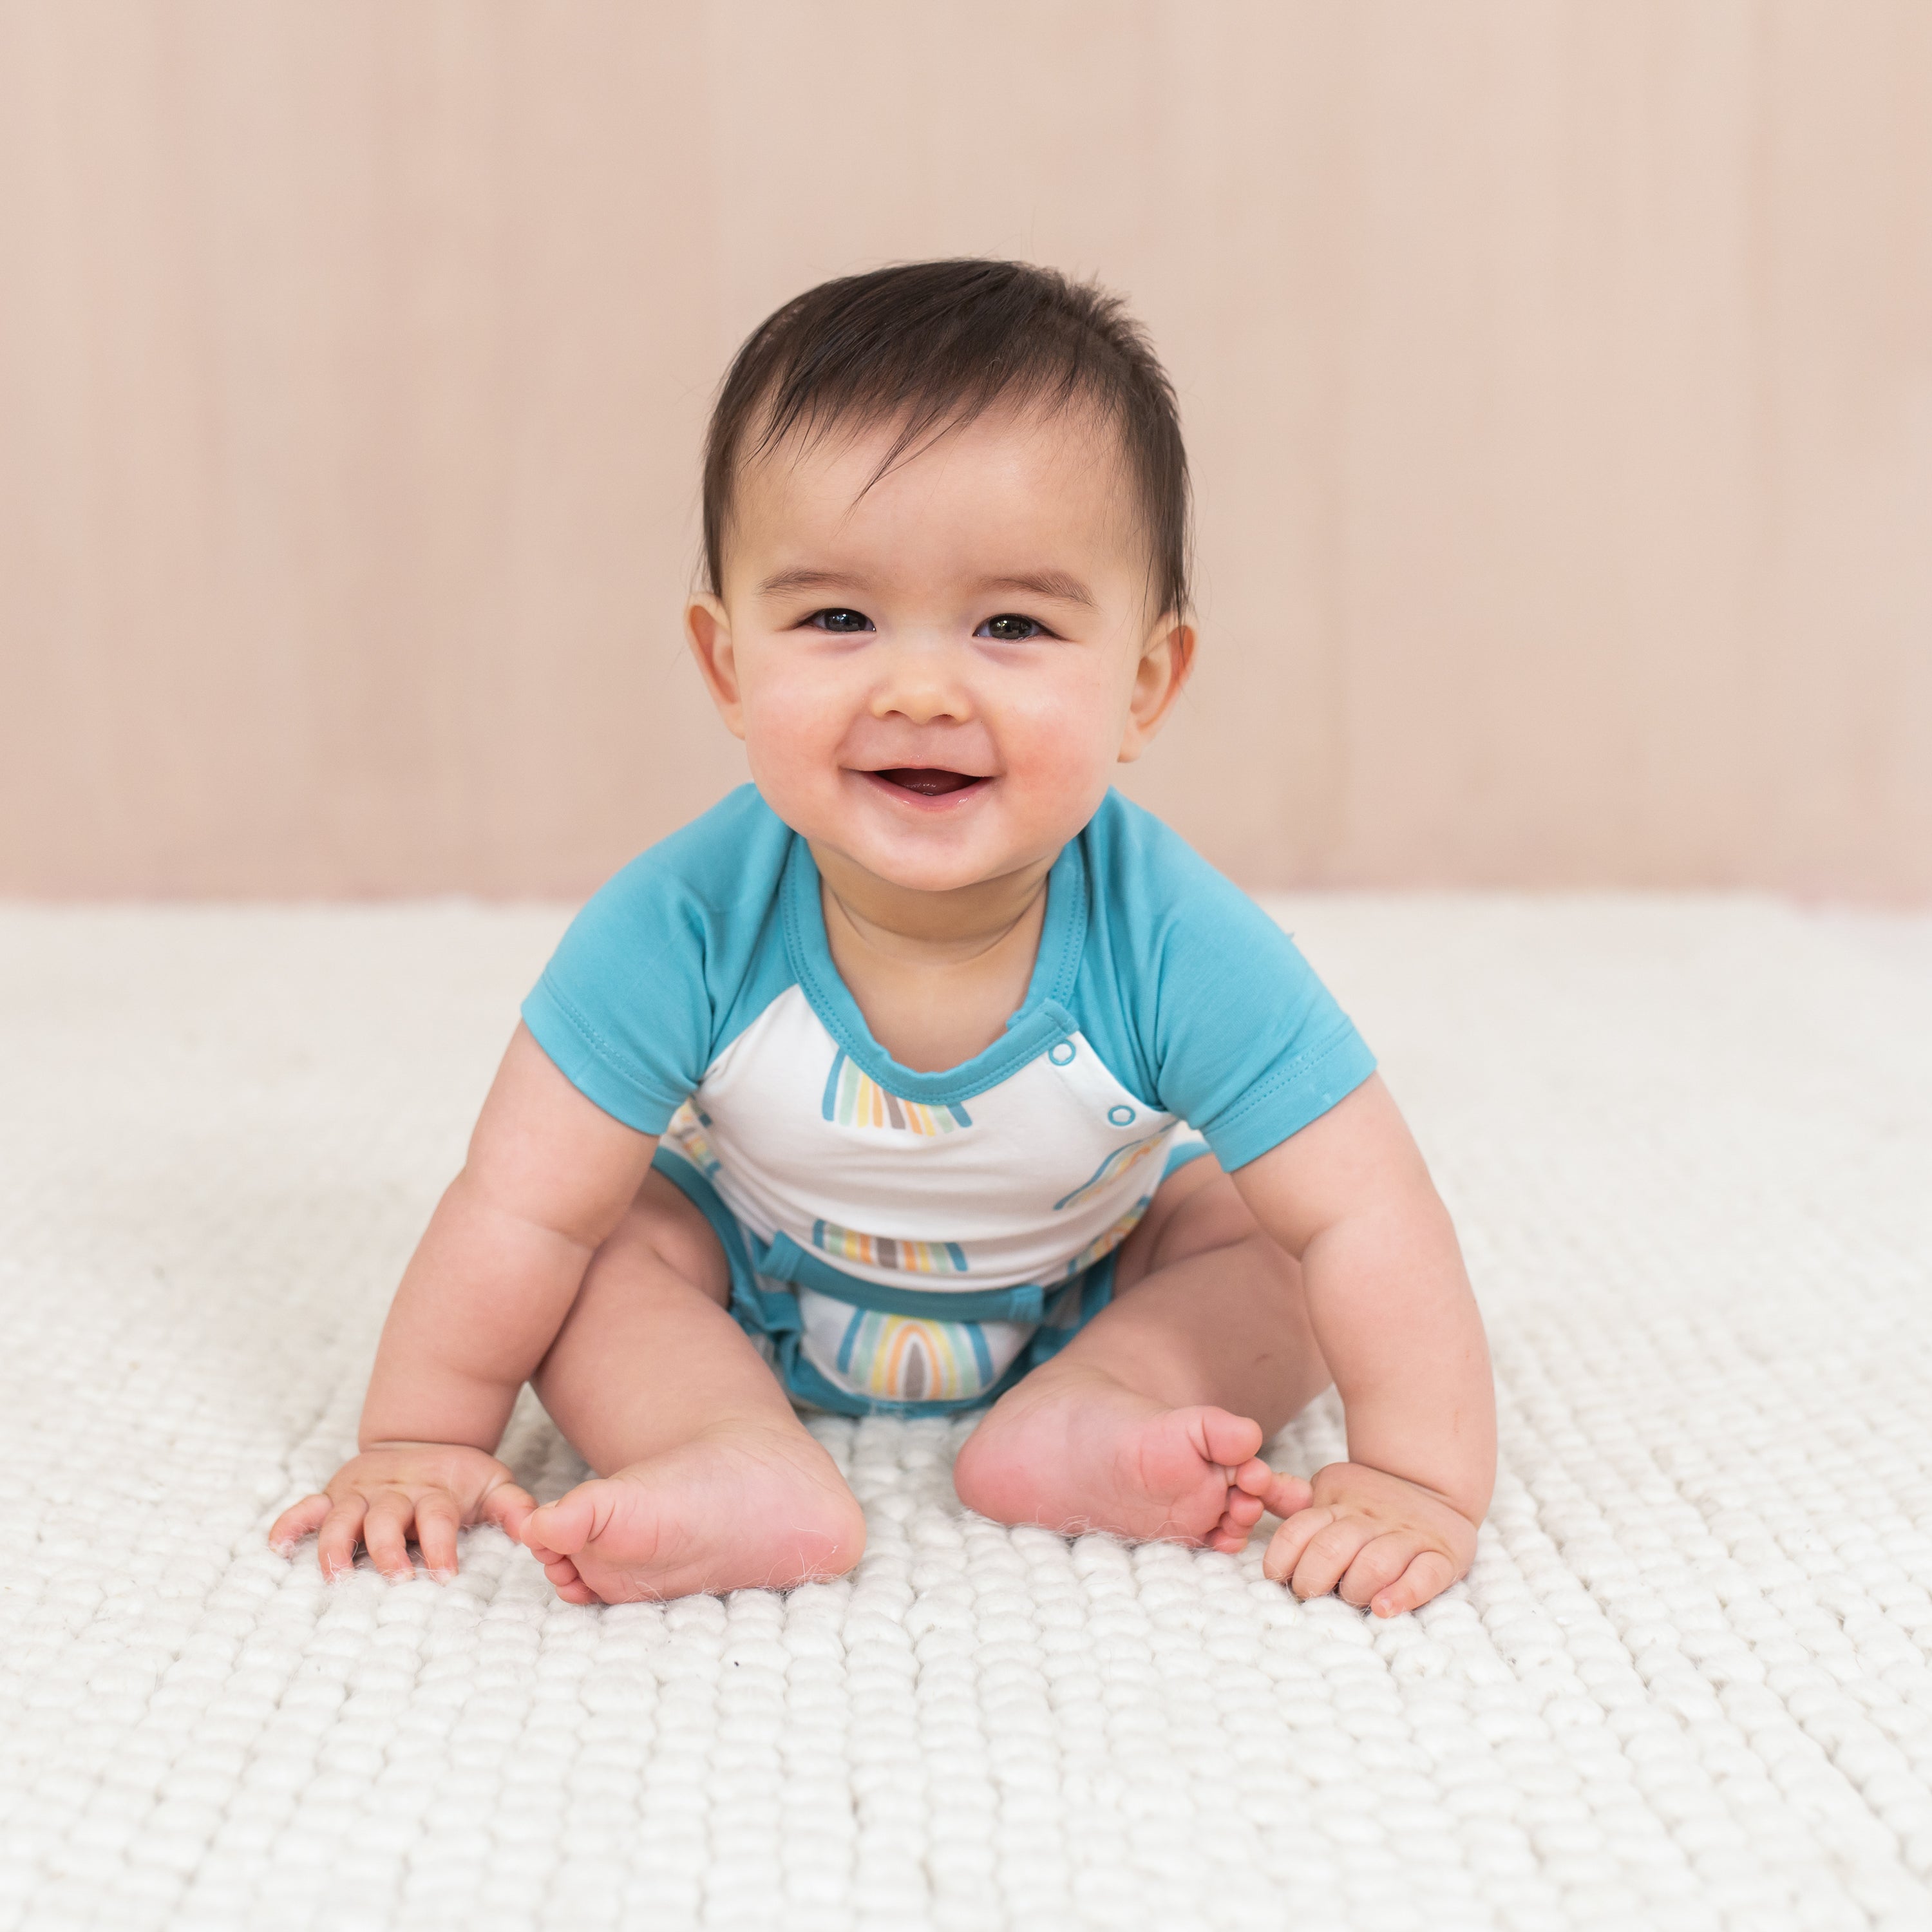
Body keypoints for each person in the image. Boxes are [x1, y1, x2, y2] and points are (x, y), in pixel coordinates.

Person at [271, 260, 1495, 1616]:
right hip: (756, 1283)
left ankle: (1097, 1406)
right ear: (730, 664)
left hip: (1087, 1277)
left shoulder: (1177, 938)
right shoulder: (680, 922)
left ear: (1144, 685)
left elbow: (1369, 1209)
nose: (920, 690)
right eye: (839, 619)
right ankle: (727, 1449)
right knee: (604, 1250)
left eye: (1013, 625)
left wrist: (1422, 1479)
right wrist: (426, 1437)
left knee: (1270, 1248)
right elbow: (517, 1204)